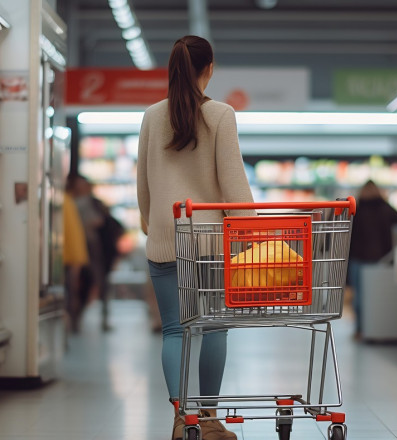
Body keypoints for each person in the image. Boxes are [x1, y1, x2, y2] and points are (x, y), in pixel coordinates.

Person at [137, 35, 254, 440]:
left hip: (166, 234)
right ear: (209, 69)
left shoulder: (152, 116)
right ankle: (208, 419)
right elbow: (235, 185)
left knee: (174, 330)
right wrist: (251, 228)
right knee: (214, 327)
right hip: (208, 239)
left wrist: (151, 225)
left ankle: (179, 420)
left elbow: (143, 187)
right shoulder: (220, 115)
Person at [348, 180, 397, 339]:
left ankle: (359, 329)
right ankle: (375, 327)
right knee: (376, 296)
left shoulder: (356, 209)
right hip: (380, 259)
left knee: (358, 296)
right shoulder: (385, 208)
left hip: (358, 258)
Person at [71, 174, 124, 332]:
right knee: (96, 283)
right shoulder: (90, 203)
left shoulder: (81, 202)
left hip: (90, 249)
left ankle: (77, 319)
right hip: (92, 249)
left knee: (84, 283)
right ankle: (91, 318)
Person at [63, 175, 90, 334]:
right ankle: (69, 327)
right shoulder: (67, 202)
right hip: (69, 259)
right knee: (70, 293)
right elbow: (74, 236)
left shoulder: (67, 202)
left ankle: (68, 327)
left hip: (68, 259)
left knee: (70, 293)